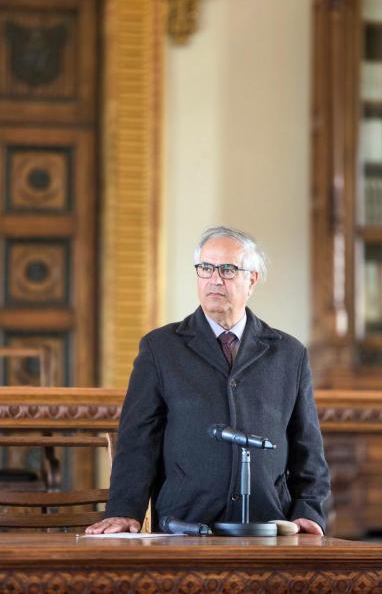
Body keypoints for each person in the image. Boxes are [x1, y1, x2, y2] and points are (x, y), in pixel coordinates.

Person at [86, 226, 330, 535]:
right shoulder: (160, 348)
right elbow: (138, 440)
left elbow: (307, 446)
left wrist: (308, 510)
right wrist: (124, 510)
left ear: (252, 280)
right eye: (206, 268)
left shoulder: (289, 353)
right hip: (184, 525)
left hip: (267, 526)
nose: (215, 279)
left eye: (228, 269)